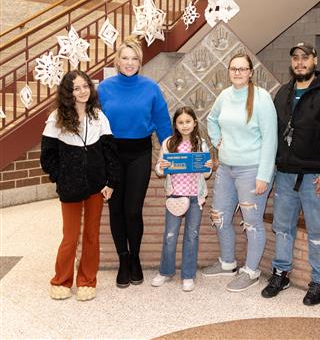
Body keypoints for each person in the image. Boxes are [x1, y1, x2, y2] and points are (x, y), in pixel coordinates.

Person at [261, 42, 320, 306]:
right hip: (286, 175)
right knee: (282, 228)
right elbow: (274, 132)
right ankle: (280, 273)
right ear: (292, 63)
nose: (300, 62)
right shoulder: (282, 93)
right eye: (295, 58)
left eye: (305, 58)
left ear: (314, 61)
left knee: (318, 231)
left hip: (315, 178)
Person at [98, 36, 172, 288]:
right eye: (125, 58)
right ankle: (123, 259)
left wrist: (169, 152)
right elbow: (93, 123)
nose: (130, 63)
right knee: (115, 209)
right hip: (112, 155)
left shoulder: (151, 87)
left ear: (140, 62)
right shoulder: (104, 89)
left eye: (135, 59)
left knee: (132, 210)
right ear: (117, 61)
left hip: (140, 153)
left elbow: (162, 123)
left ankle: (136, 257)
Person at [40, 70, 120, 301]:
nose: (83, 91)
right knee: (70, 236)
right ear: (68, 92)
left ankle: (87, 280)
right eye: (77, 88)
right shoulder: (56, 118)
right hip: (70, 187)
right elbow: (47, 156)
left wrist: (111, 182)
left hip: (96, 186)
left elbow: (110, 153)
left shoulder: (99, 116)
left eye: (85, 86)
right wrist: (61, 177)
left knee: (92, 236)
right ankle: (61, 281)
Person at [201, 53, 278, 292]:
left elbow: (270, 139)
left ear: (250, 72)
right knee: (219, 216)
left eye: (242, 69)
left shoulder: (262, 98)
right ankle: (227, 263)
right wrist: (218, 141)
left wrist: (264, 175)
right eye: (233, 69)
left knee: (252, 222)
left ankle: (251, 271)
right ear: (229, 71)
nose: (237, 73)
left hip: (252, 169)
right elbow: (212, 120)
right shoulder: (224, 96)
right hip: (226, 168)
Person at [151, 107, 213, 292]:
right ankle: (165, 271)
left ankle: (188, 275)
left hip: (195, 196)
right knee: (170, 236)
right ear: (175, 125)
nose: (185, 125)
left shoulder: (201, 144)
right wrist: (162, 166)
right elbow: (159, 170)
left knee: (191, 236)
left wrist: (208, 166)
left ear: (194, 123)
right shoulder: (168, 143)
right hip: (175, 195)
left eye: (188, 121)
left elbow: (207, 173)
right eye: (180, 122)